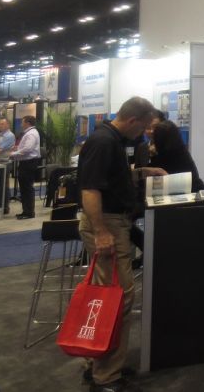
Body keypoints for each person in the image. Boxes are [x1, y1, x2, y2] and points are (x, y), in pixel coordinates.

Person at [78, 97, 166, 392]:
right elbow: (90, 189)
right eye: (144, 127)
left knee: (108, 298)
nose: (144, 133)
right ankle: (106, 377)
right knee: (116, 300)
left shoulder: (110, 140)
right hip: (108, 224)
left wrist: (141, 173)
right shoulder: (104, 142)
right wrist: (101, 231)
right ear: (133, 121)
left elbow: (110, 178)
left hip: (113, 223)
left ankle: (99, 364)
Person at [150, 120, 204, 192]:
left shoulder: (166, 155)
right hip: (196, 190)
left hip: (187, 192)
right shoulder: (181, 151)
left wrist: (152, 157)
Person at [8, 115, 42, 219]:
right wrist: (18, 148)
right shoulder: (30, 133)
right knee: (24, 188)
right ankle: (26, 211)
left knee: (27, 188)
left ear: (28, 123)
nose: (21, 124)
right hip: (26, 163)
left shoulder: (31, 133)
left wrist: (13, 154)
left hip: (28, 163)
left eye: (22, 122)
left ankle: (29, 212)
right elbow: (26, 147)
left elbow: (28, 149)